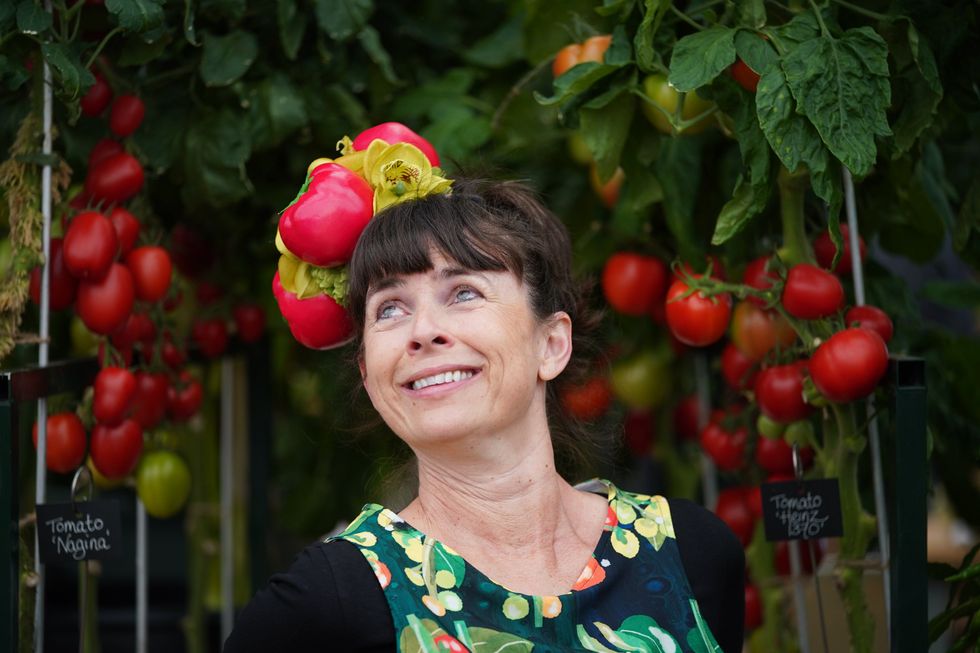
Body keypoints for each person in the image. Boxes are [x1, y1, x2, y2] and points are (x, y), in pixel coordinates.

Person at [224, 178, 745, 652]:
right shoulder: (328, 603)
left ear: (551, 344)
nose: (423, 330)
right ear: (368, 373)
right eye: (389, 308)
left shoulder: (693, 554)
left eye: (464, 292)